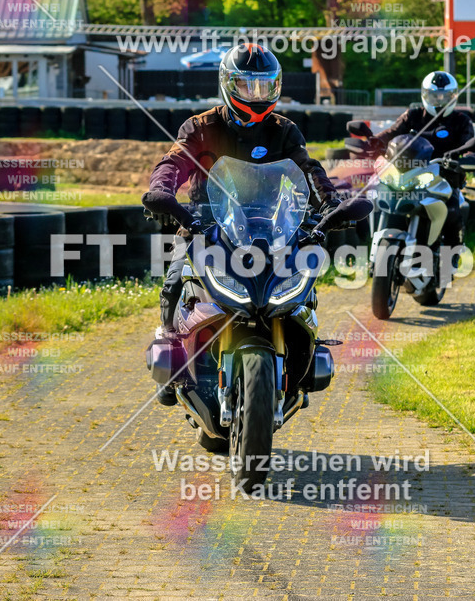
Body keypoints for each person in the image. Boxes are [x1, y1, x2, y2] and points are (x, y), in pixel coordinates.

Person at [142, 43, 339, 406]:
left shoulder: (284, 130)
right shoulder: (201, 126)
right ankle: (171, 351)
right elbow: (173, 163)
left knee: (303, 282)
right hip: (205, 223)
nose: (257, 94)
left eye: (265, 86)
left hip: (270, 227)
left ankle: (301, 357)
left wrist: (330, 202)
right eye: (248, 85)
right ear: (228, 84)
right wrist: (162, 190)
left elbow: (309, 170)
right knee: (174, 280)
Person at [375, 70, 475, 247]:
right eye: (434, 96)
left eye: (445, 96)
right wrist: (371, 142)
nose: (439, 100)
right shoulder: (412, 115)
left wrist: (470, 158)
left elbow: (470, 145)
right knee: (378, 196)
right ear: (425, 95)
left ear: (453, 96)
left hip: (445, 178)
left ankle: (451, 255)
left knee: (453, 212)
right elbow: (391, 133)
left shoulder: (461, 120)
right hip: (408, 174)